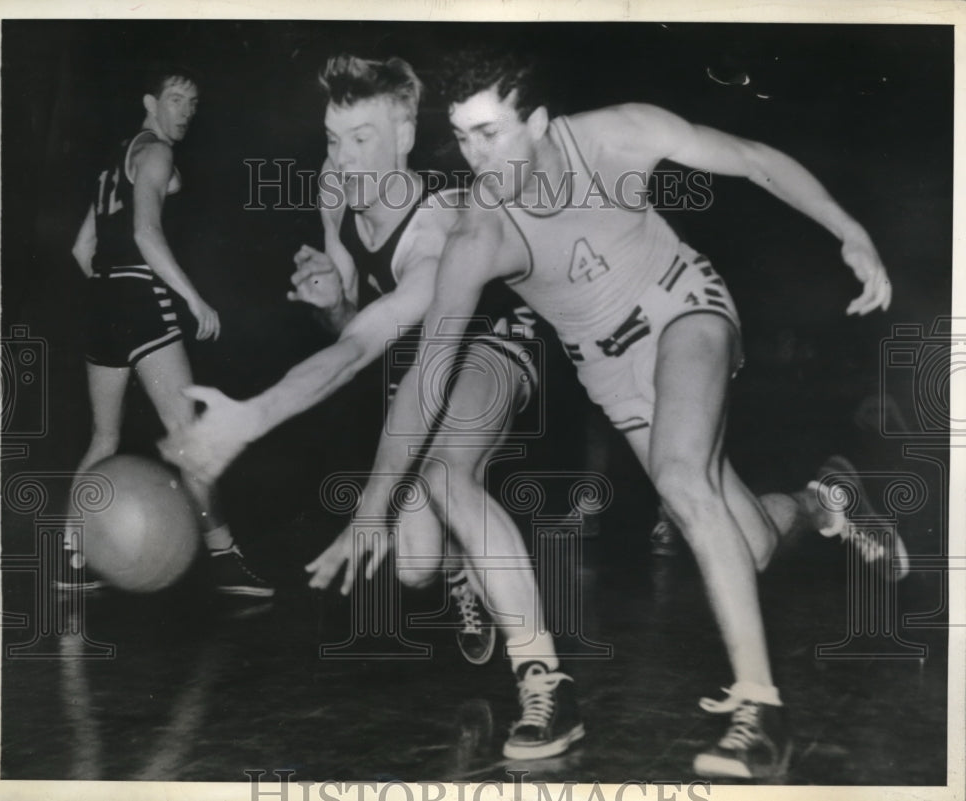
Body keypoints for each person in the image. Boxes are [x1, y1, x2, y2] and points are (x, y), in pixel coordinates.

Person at [325, 47, 898, 780]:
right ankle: (825, 500)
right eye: (464, 137)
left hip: (684, 307)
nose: (476, 156)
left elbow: (754, 158)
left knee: (681, 476)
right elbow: (431, 372)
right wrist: (375, 499)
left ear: (536, 122)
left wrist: (847, 228)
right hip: (611, 367)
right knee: (744, 544)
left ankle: (761, 712)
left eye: (491, 133)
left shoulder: (617, 136)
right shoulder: (479, 231)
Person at [160, 55, 583, 760]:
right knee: (415, 565)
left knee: (448, 473)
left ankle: (545, 679)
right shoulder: (335, 191)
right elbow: (356, 327)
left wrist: (251, 416)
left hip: (495, 342)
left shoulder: (437, 230)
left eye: (362, 139)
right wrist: (334, 301)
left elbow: (358, 354)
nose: (343, 158)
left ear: (404, 138)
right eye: (333, 137)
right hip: (418, 366)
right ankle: (461, 569)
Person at [62, 65, 273, 597]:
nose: (185, 111)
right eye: (176, 99)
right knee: (188, 439)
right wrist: (192, 297)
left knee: (104, 438)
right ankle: (225, 558)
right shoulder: (156, 152)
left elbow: (81, 249)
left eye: (192, 104)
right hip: (139, 299)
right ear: (150, 102)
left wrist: (112, 291)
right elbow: (145, 232)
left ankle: (70, 557)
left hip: (101, 306)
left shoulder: (118, 158)